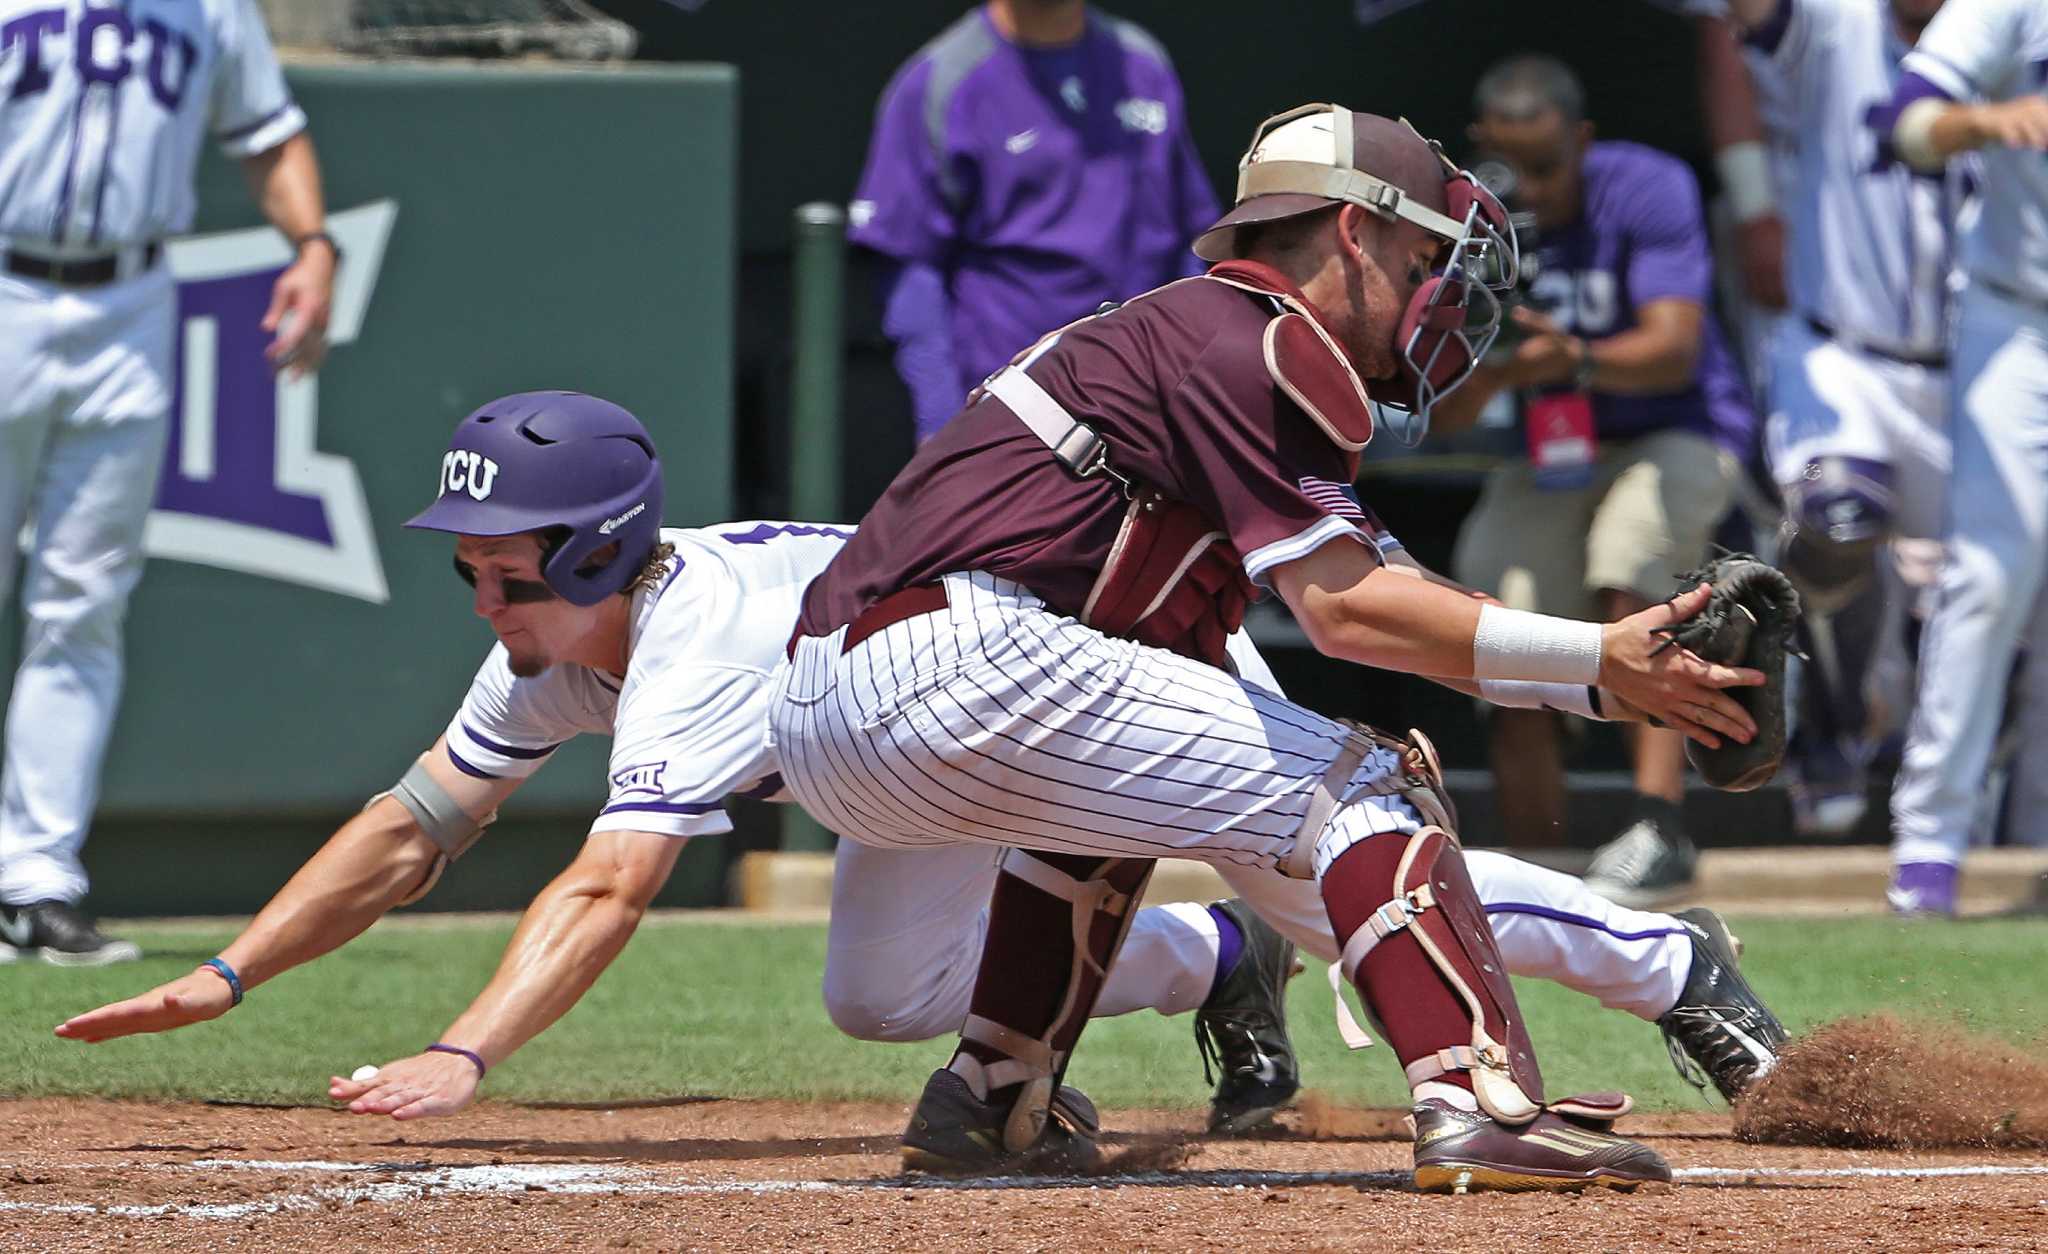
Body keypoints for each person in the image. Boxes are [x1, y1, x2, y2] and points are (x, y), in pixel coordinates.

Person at [55, 392, 1788, 1144]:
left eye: (504, 563)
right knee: (887, 998)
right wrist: (223, 973)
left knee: (1344, 895)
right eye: (471, 565)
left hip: (1089, 659)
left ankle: (1669, 961)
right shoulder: (551, 642)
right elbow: (414, 825)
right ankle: (1206, 964)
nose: (480, 591)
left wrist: (460, 1048)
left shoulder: (691, 639)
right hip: (921, 745)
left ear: (595, 557)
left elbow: (606, 876)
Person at [773, 103, 1773, 1191]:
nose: (1442, 289)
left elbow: (1399, 599)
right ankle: (1477, 1100)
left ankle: (993, 1095)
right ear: (1353, 233)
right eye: (1422, 254)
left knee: (1114, 812)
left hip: (838, 706)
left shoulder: (1203, 334)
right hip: (959, 664)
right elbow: (1346, 610)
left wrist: (1613, 681)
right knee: (1368, 787)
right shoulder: (1256, 335)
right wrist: (1596, 654)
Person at [0, 0, 336, 964]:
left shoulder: (211, 8)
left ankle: (37, 884)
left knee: (83, 603)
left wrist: (313, 245)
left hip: (131, 302)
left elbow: (269, 135)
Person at [1431, 55, 1759, 905]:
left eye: (1548, 166)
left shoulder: (1644, 186)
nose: (1532, 190)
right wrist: (1494, 365)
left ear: (1582, 140)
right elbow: (1443, 416)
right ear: (1481, 147)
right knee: (1500, 601)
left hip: (1677, 428)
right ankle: (1536, 860)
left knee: (1630, 560)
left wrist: (1567, 357)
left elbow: (1674, 348)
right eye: (1514, 169)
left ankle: (1658, 828)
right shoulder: (1460, 221)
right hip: (1552, 452)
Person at [1717, 0, 1960, 843]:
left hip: (1987, 366)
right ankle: (1834, 715)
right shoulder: (1836, 20)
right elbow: (1735, 19)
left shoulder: (2014, 27)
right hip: (1844, 348)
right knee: (1838, 517)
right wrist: (1753, 202)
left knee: (2010, 585)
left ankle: (1972, 790)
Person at [847, 0, 1218, 443]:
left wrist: (1197, 385)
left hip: (1147, 406)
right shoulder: (941, 81)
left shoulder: (1142, 63)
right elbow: (911, 278)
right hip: (1013, 412)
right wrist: (945, 433)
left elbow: (1195, 245)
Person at [1870, 0, 2048, 914]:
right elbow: (1905, 120)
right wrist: (1988, 119)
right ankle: (1930, 850)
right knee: (1992, 569)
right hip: (2019, 315)